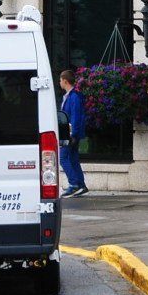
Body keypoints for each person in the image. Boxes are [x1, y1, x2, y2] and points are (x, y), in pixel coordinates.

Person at [58, 69, 88, 198]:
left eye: (60, 80)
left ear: (65, 81)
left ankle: (74, 184)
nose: (59, 82)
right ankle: (81, 185)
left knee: (63, 158)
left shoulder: (74, 96)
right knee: (73, 159)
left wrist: (73, 134)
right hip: (70, 133)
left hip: (70, 134)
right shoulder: (70, 96)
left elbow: (76, 116)